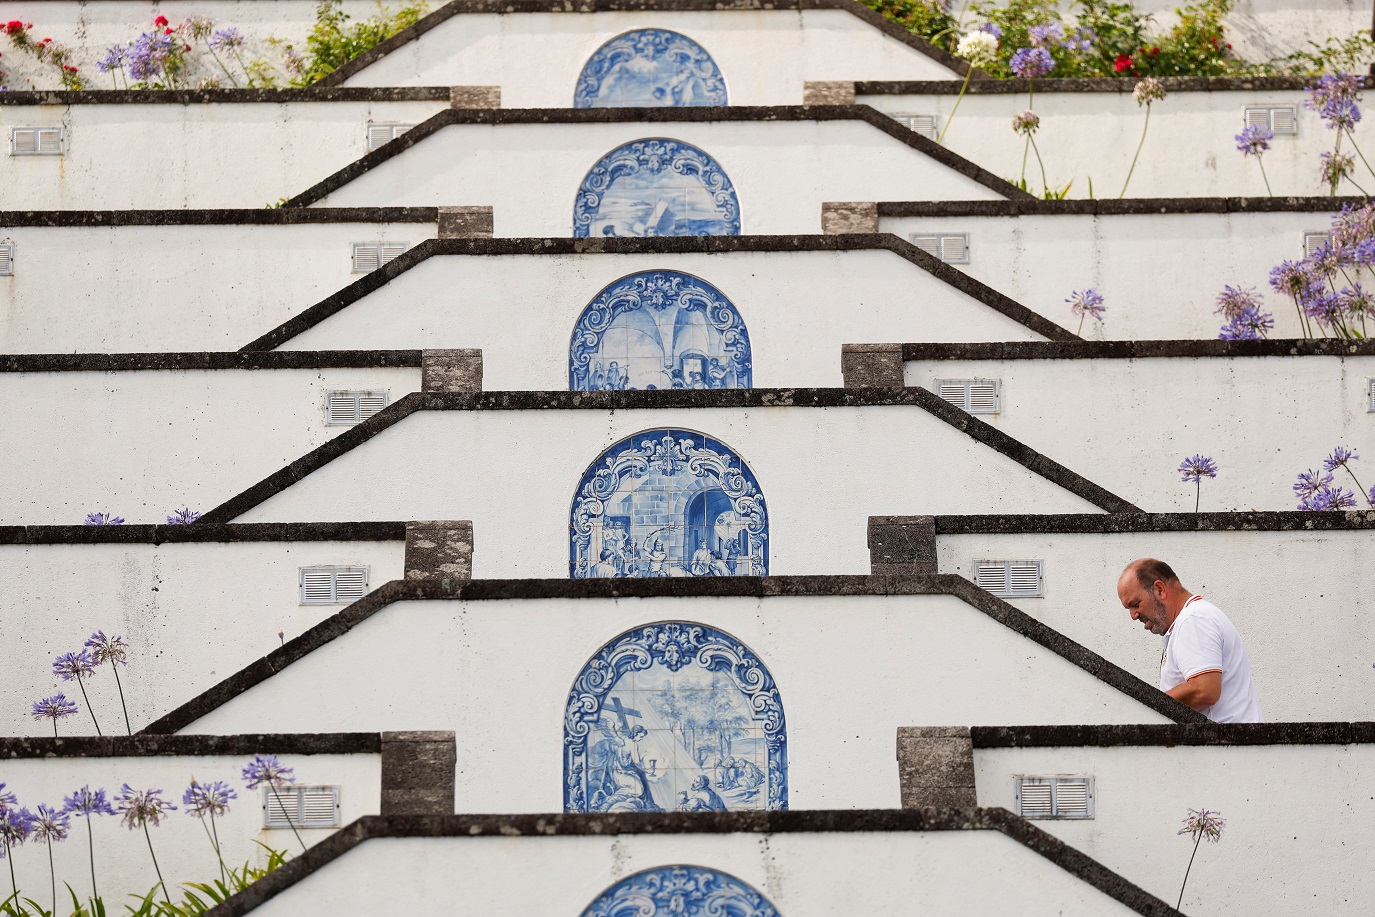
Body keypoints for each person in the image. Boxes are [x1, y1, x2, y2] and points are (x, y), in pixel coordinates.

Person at [1115, 558, 1262, 723]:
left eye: (1135, 604)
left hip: (1224, 738)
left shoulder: (1193, 620)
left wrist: (1150, 709)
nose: (1133, 615)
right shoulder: (1191, 619)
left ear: (1159, 590)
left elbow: (1204, 690)